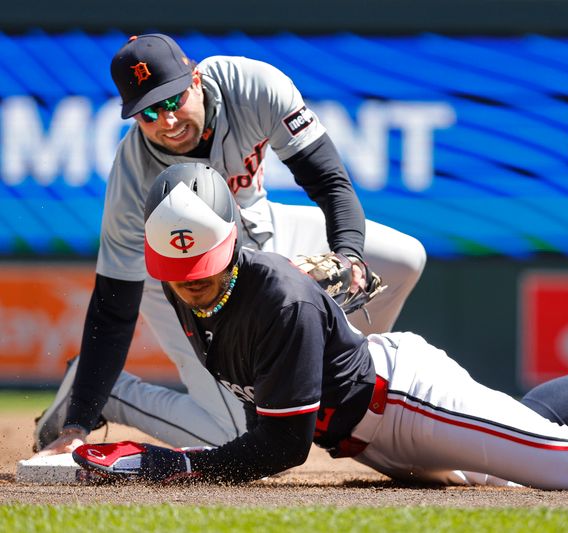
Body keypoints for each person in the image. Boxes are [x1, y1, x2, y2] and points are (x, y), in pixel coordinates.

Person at [71, 163, 568, 488]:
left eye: (208, 274)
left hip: (405, 401)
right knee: (516, 429)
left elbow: (281, 447)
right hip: (372, 433)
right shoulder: (195, 286)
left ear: (233, 242)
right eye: (181, 282)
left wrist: (172, 464)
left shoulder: (278, 297)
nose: (197, 291)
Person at [33, 33, 426, 457]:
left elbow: (329, 181)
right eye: (148, 113)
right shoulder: (133, 178)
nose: (166, 121)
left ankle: (334, 380)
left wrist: (348, 256)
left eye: (172, 100)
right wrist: (80, 420)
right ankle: (117, 396)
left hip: (261, 234)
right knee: (234, 435)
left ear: (196, 78)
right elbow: (114, 307)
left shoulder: (254, 87)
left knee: (404, 259)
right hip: (182, 277)